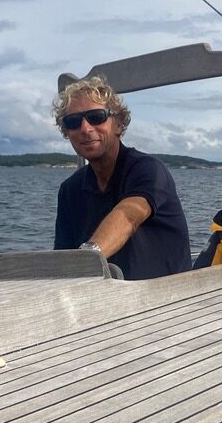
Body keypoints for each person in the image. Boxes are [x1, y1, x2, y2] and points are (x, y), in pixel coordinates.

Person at [52, 77, 192, 280]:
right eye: (73, 122)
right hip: (105, 295)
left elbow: (128, 216)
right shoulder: (70, 190)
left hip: (169, 295)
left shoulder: (148, 170)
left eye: (96, 117)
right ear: (67, 132)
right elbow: (62, 256)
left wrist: (86, 259)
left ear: (118, 123)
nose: (85, 128)